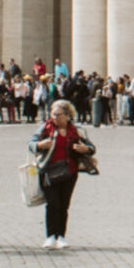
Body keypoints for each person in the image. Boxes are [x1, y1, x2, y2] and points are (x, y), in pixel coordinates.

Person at [33, 100, 96, 249]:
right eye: (53, 114)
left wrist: (85, 149)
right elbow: (31, 144)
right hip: (49, 171)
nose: (55, 117)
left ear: (67, 115)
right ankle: (50, 236)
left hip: (69, 172)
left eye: (58, 114)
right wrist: (39, 145)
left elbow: (92, 148)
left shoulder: (76, 130)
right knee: (52, 203)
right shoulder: (45, 128)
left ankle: (61, 236)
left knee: (63, 205)